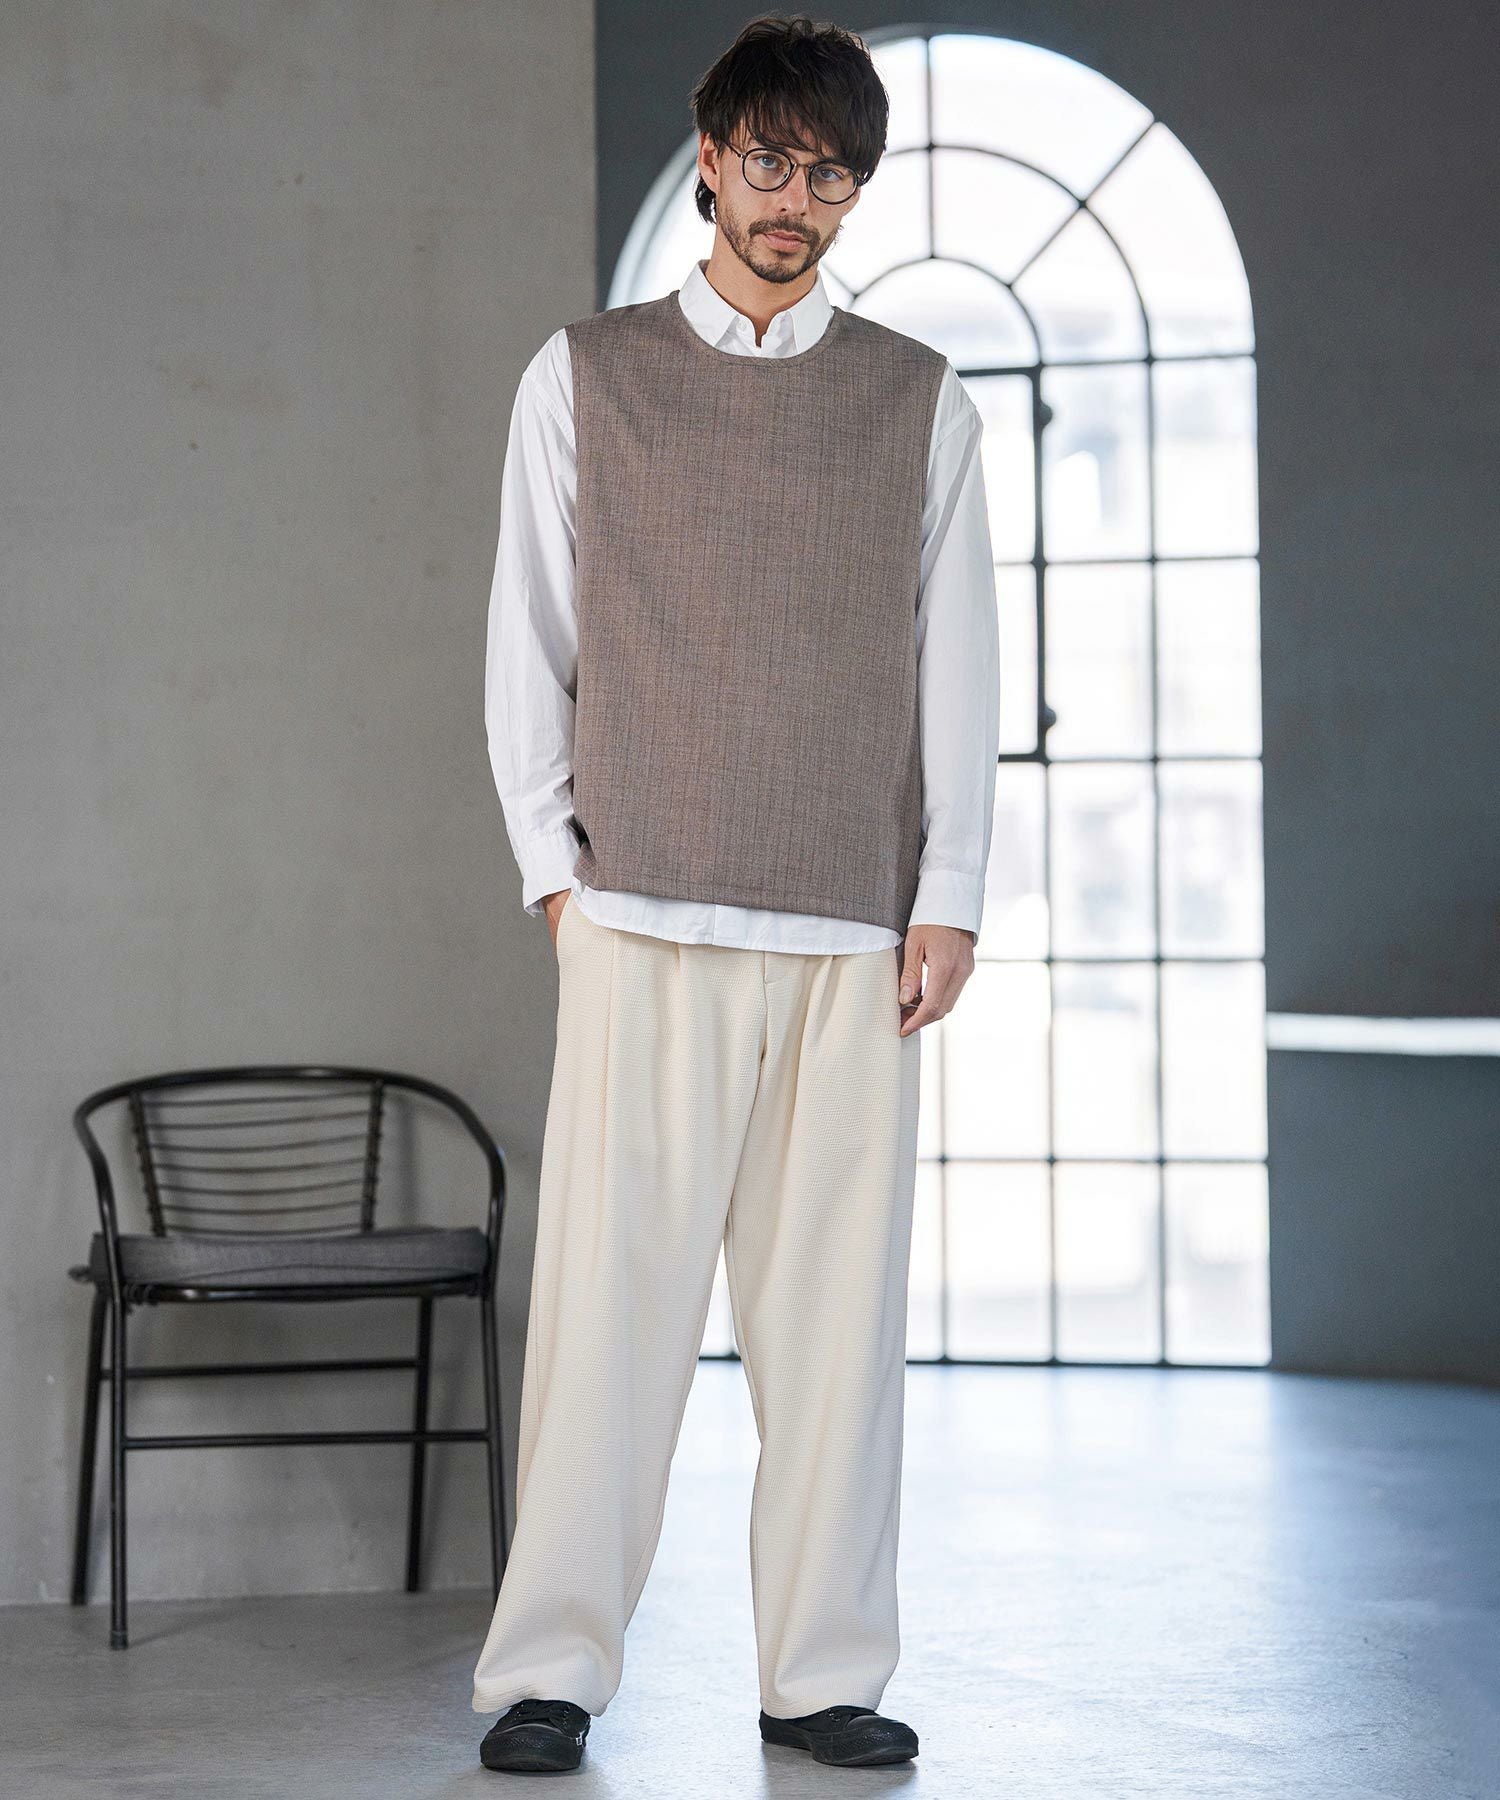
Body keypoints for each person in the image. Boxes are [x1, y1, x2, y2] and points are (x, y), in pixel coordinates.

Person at [472, 13, 1000, 1776]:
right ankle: (548, 1671)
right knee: (607, 1327)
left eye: (831, 174)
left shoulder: (918, 398)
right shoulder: (587, 376)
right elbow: (528, 642)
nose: (796, 201)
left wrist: (951, 893)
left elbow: (960, 661)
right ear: (711, 161)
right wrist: (559, 885)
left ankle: (819, 1675)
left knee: (839, 1337)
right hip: (641, 920)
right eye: (770, 163)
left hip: (852, 934)